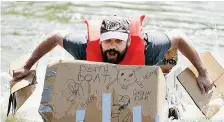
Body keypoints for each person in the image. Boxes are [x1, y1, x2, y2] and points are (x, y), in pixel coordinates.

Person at [12, 15, 213, 94]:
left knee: (164, 67)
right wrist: (28, 65)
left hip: (149, 62)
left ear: (127, 41)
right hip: (97, 67)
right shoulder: (83, 47)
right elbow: (55, 36)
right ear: (99, 40)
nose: (112, 47)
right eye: (107, 41)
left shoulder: (149, 47)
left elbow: (179, 36)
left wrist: (202, 72)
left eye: (118, 41)